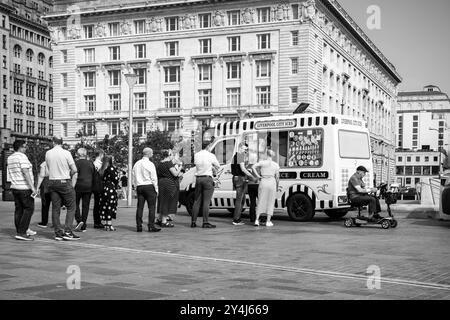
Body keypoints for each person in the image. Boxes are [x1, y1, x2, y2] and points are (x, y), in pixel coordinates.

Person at [45, 136, 79, 241]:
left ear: (53, 142)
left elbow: (48, 167)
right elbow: (74, 169)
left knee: (55, 208)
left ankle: (58, 232)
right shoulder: (66, 153)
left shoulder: (48, 153)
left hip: (52, 181)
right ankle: (68, 231)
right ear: (61, 142)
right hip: (64, 181)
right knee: (71, 206)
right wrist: (69, 173)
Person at [7, 140, 37, 241]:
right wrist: (32, 187)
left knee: (19, 210)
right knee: (29, 209)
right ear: (20, 147)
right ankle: (22, 232)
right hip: (24, 188)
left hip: (15, 187)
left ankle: (20, 230)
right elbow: (25, 171)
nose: (26, 148)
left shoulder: (10, 158)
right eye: (24, 146)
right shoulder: (22, 157)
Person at [191, 142, 220, 228]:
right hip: (207, 178)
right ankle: (205, 222)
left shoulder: (197, 155)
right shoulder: (211, 155)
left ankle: (193, 222)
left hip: (198, 178)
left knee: (196, 201)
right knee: (206, 202)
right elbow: (217, 166)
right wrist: (212, 168)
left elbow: (195, 165)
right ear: (208, 146)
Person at [133, 148, 161, 232]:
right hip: (149, 186)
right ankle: (151, 226)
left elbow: (133, 176)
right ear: (148, 154)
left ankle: (139, 226)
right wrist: (156, 189)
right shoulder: (150, 164)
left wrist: (135, 186)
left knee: (140, 207)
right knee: (151, 207)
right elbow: (154, 178)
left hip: (140, 186)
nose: (152, 155)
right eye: (152, 153)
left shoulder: (137, 163)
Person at [252, 150, 280, 227]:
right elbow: (277, 177)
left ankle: (257, 220)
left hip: (263, 181)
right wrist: (277, 186)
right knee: (270, 201)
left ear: (266, 155)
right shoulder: (276, 165)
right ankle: (268, 221)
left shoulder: (262, 162)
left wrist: (258, 176)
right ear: (272, 156)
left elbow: (253, 167)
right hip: (272, 182)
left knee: (260, 200)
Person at [156, 150, 183, 227]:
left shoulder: (160, 163)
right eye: (172, 154)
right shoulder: (168, 163)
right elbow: (175, 174)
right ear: (169, 155)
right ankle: (164, 221)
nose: (172, 156)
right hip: (169, 184)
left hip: (161, 183)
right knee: (167, 202)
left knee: (162, 201)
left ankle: (159, 219)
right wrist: (180, 166)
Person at [231, 142, 254, 226]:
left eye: (246, 150)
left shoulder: (235, 156)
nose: (245, 151)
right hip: (240, 179)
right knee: (240, 199)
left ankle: (237, 218)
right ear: (240, 148)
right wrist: (251, 175)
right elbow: (243, 169)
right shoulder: (240, 156)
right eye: (244, 149)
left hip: (236, 178)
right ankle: (236, 219)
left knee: (242, 199)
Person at [74, 148, 95, 232]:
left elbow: (73, 174)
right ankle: (83, 224)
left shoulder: (76, 163)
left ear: (78, 154)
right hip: (88, 186)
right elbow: (93, 174)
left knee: (75, 204)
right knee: (85, 206)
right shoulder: (90, 163)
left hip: (78, 186)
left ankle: (79, 221)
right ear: (85, 154)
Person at [99, 156, 120, 231]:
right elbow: (116, 179)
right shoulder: (111, 168)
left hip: (104, 189)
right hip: (111, 189)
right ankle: (109, 224)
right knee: (110, 206)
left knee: (105, 206)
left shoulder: (102, 169)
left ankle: (106, 224)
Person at [36, 160, 51, 229]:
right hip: (55, 184)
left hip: (46, 185)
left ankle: (44, 222)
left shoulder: (44, 164)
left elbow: (41, 176)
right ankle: (56, 222)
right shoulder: (56, 162)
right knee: (56, 205)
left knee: (45, 205)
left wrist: (37, 187)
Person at [92, 149, 104, 229]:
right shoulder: (97, 164)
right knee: (97, 204)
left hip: (97, 186)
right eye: (103, 154)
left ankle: (98, 221)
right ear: (100, 155)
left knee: (98, 204)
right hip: (98, 186)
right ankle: (97, 221)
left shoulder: (95, 163)